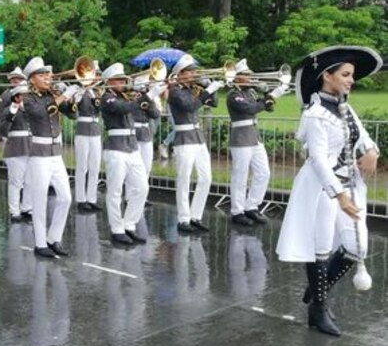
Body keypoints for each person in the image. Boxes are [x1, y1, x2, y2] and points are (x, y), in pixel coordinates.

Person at [276, 46, 381, 337]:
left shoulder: (345, 106)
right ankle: (318, 309)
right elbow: (318, 160)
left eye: (352, 75)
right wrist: (340, 195)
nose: (351, 80)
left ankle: (315, 291)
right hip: (323, 188)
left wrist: (372, 151)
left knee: (356, 247)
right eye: (345, 75)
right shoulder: (315, 114)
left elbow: (364, 137)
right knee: (320, 249)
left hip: (349, 184)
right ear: (327, 75)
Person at [100, 63, 165, 245]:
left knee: (142, 187)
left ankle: (129, 224)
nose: (123, 81)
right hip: (115, 148)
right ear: (109, 82)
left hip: (132, 147)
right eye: (119, 79)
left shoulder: (126, 96)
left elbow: (151, 112)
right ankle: (116, 229)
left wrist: (148, 96)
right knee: (115, 191)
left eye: (123, 78)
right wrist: (147, 95)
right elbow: (123, 109)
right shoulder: (107, 98)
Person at [22, 57, 78, 258]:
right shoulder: (28, 98)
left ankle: (54, 238)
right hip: (39, 154)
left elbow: (73, 115)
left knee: (65, 198)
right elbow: (40, 113)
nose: (47, 77)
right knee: (39, 200)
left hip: (56, 154)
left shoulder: (52, 94)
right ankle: (40, 243)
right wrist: (62, 97)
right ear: (32, 79)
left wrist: (70, 96)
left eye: (48, 74)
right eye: (42, 75)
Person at [226, 59, 289, 226]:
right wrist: (268, 99)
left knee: (263, 172)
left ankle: (251, 206)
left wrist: (273, 94)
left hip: (254, 137)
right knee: (240, 176)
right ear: (237, 77)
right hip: (240, 138)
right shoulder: (233, 95)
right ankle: (237, 211)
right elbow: (250, 109)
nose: (250, 78)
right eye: (247, 76)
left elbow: (268, 108)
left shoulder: (251, 93)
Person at [167, 54, 223, 233]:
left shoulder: (194, 88)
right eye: (191, 72)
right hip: (184, 138)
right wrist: (206, 91)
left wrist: (210, 88)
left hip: (198, 137)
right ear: (180, 74)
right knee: (184, 179)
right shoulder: (175, 91)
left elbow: (213, 103)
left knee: (206, 177)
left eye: (194, 71)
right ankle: (183, 219)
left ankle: (195, 216)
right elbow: (190, 106)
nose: (194, 74)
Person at [0, 81, 33, 223]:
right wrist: (13, 111)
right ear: (17, 97)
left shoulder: (30, 109)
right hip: (15, 148)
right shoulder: (9, 110)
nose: (28, 98)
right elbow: (3, 128)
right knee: (15, 182)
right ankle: (14, 211)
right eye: (24, 95)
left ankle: (27, 207)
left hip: (30, 148)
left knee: (30, 181)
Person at [74, 79, 103, 212]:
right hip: (82, 130)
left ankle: (91, 199)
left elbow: (100, 108)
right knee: (82, 167)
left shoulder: (97, 92)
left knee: (95, 166)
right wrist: (81, 92)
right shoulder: (77, 90)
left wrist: (93, 95)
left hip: (95, 131)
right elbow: (74, 106)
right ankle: (81, 199)